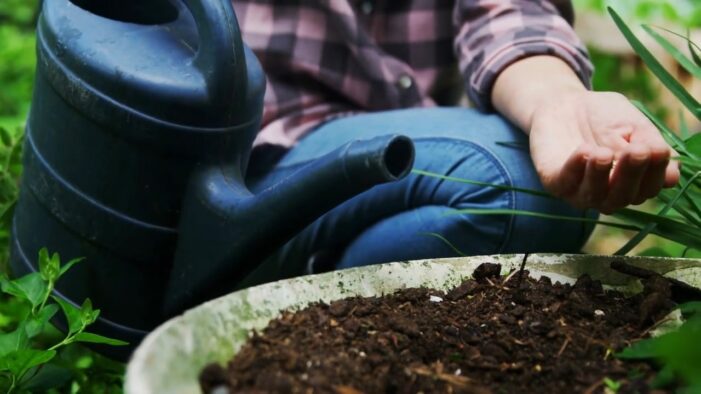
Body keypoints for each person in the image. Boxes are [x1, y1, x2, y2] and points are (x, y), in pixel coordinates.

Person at [233, 0, 681, 283]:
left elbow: (510, 15)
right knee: (510, 189)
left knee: (546, 188)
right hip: (258, 158)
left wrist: (559, 103)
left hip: (415, 144)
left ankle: (324, 302)